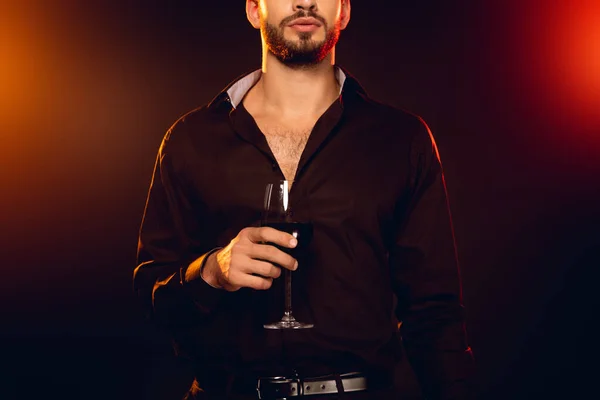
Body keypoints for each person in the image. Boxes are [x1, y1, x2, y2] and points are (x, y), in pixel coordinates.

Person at [133, 0, 475, 398]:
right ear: (252, 9)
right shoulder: (190, 140)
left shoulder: (402, 140)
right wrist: (211, 272)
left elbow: (434, 313)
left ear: (343, 11)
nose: (304, 1)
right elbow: (151, 297)